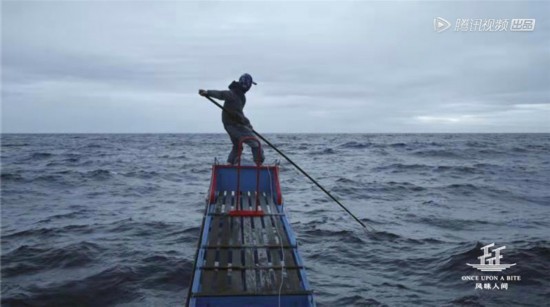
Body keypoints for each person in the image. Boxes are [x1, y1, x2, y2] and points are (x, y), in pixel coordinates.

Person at [199, 73, 265, 165]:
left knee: (237, 146)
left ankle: (229, 164)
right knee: (255, 143)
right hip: (234, 125)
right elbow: (222, 94)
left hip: (229, 124)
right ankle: (259, 164)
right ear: (247, 85)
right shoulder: (234, 93)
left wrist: (248, 125)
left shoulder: (239, 95)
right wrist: (208, 93)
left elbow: (239, 114)